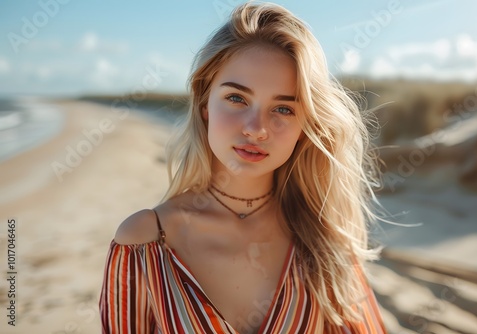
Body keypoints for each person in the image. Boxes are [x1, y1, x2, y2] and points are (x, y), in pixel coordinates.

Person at [99, 2, 386, 333]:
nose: (256, 128)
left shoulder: (322, 239)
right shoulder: (145, 241)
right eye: (237, 98)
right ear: (205, 103)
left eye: (283, 108)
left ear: (304, 124)